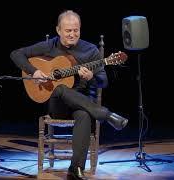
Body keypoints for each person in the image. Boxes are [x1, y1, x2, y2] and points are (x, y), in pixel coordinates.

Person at [10, 10, 128, 179]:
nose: (73, 34)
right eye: (68, 31)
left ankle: (75, 169)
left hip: (82, 103)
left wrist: (91, 77)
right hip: (57, 104)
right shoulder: (49, 45)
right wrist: (34, 71)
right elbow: (16, 54)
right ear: (58, 30)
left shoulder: (91, 50)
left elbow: (103, 81)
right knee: (60, 89)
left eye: (76, 30)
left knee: (85, 115)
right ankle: (106, 114)